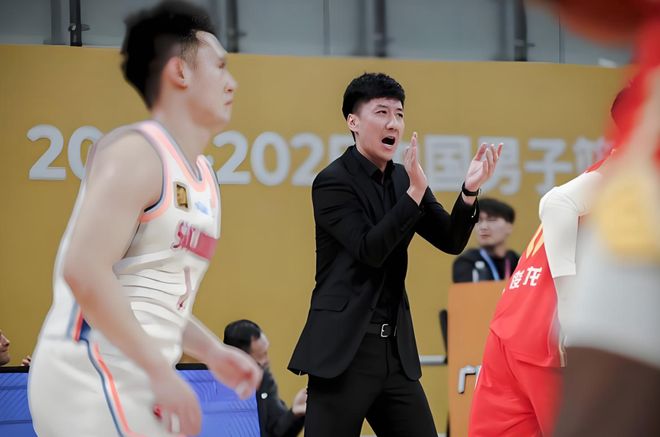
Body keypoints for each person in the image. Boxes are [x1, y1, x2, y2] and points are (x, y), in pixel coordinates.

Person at [27, 2, 262, 436]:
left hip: (137, 375)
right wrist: (157, 371)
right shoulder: (135, 153)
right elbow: (84, 271)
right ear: (179, 72)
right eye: (220, 67)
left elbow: (149, 300)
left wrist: (212, 352)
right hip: (88, 372)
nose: (232, 83)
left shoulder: (204, 176)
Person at [288, 72, 502, 437]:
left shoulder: (406, 178)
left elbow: (451, 239)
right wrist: (413, 195)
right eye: (382, 112)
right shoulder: (333, 182)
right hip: (343, 352)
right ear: (353, 122)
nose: (393, 124)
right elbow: (370, 250)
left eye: (399, 114)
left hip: (395, 352)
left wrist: (469, 192)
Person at [224, 320, 306, 437]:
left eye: (266, 352)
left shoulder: (264, 380)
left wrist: (294, 414)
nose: (266, 360)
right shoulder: (209, 382)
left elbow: (277, 431)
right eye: (260, 356)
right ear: (240, 358)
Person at [452, 198, 519, 283]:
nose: (483, 227)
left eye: (491, 219)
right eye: (478, 220)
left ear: (509, 227)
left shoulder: (518, 262)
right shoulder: (466, 262)